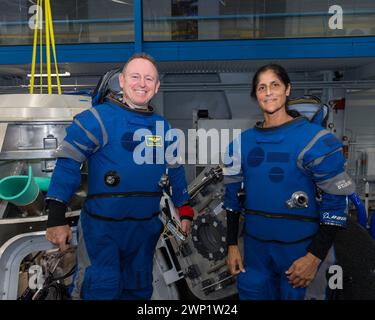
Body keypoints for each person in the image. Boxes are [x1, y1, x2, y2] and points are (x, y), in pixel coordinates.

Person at [45, 53, 194, 300]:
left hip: (144, 230)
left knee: (139, 290)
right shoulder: (97, 119)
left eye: (149, 79)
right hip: (102, 231)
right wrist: (55, 218)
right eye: (135, 77)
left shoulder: (163, 127)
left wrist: (184, 208)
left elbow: (175, 170)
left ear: (156, 87)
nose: (142, 83)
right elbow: (68, 164)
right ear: (122, 81)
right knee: (100, 288)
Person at [223, 63, 355, 300]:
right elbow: (232, 202)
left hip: (300, 254)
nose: (269, 92)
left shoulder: (317, 141)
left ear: (287, 89)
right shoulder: (240, 145)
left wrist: (314, 258)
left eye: (275, 85)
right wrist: (232, 245)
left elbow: (336, 209)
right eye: (261, 87)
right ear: (256, 95)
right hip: (254, 255)